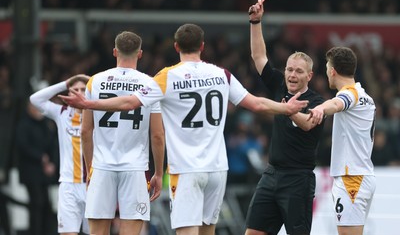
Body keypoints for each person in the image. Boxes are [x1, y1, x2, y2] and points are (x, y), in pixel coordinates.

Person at [59, 23, 308, 235]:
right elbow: (256, 103)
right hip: (217, 168)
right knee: (208, 230)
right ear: (202, 46)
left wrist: (88, 103)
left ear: (176, 47)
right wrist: (286, 108)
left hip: (186, 169)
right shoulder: (222, 74)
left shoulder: (167, 76)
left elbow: (129, 102)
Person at [245, 0, 326, 235]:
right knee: (253, 233)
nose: (291, 74)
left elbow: (309, 124)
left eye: (298, 71)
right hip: (271, 175)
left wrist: (289, 110)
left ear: (309, 75)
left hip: (298, 180)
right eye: (289, 69)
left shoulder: (319, 102)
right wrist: (255, 22)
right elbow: (259, 57)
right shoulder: (280, 86)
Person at [80, 31, 165, 235]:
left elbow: (85, 131)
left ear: (115, 52)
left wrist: (91, 167)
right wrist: (159, 173)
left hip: (102, 165)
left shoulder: (95, 81)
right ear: (140, 54)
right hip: (135, 167)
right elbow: (157, 135)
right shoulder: (150, 84)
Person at [308, 46, 376, 235]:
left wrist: (321, 109)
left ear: (332, 71)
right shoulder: (365, 96)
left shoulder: (350, 94)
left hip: (351, 178)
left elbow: (337, 103)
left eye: (327, 68)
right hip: (361, 174)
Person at [30, 74, 91, 235]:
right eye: (75, 90)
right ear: (68, 95)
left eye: (83, 90)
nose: (79, 93)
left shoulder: (100, 114)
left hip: (93, 185)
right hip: (68, 185)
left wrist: (96, 82)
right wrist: (65, 84)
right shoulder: (61, 113)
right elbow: (35, 99)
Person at [15, 101, 58, 235]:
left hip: (44, 173)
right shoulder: (23, 124)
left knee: (46, 204)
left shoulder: (46, 124)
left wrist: (51, 163)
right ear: (29, 108)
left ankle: (47, 231)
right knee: (37, 203)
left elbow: (53, 144)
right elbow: (23, 146)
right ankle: (36, 231)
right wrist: (40, 157)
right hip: (31, 172)